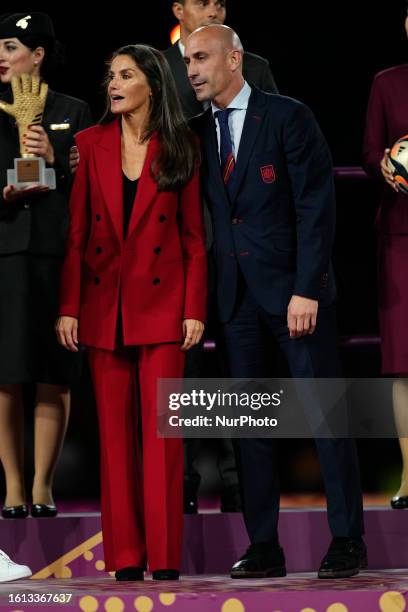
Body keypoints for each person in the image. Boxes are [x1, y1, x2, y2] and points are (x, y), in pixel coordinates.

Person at [185, 24, 366, 579]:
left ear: (234, 58)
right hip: (235, 301)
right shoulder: (196, 132)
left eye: (202, 57)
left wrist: (307, 287)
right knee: (249, 428)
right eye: (187, 59)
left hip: (296, 296)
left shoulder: (289, 115)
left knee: (324, 418)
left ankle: (347, 540)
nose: (191, 68)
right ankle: (263, 544)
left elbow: (317, 206)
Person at [56, 44, 207, 581]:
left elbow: (193, 239)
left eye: (125, 75)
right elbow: (75, 237)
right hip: (102, 308)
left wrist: (194, 308)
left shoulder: (181, 144)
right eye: (110, 76)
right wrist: (69, 307)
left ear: (153, 84)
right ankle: (125, 558)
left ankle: (165, 558)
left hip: (164, 309)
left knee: (164, 439)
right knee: (116, 445)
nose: (113, 85)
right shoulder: (87, 144)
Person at [164, 0, 277, 515]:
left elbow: (271, 143)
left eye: (216, 1)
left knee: (240, 367)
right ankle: (178, 482)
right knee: (179, 369)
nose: (209, 6)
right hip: (181, 245)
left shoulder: (250, 63)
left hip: (239, 247)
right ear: (177, 8)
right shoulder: (153, 67)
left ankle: (241, 484)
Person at [0, 12, 92, 519]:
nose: (1, 56)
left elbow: (94, 191)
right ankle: (13, 487)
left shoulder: (74, 112)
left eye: (10, 46)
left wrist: (54, 157)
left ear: (37, 55)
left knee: (56, 373)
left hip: (60, 257)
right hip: (7, 256)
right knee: (7, 375)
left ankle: (43, 486)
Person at [362, 3, 408, 511]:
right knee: (401, 363)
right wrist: (390, 166)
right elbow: (368, 152)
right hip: (401, 233)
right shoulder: (386, 82)